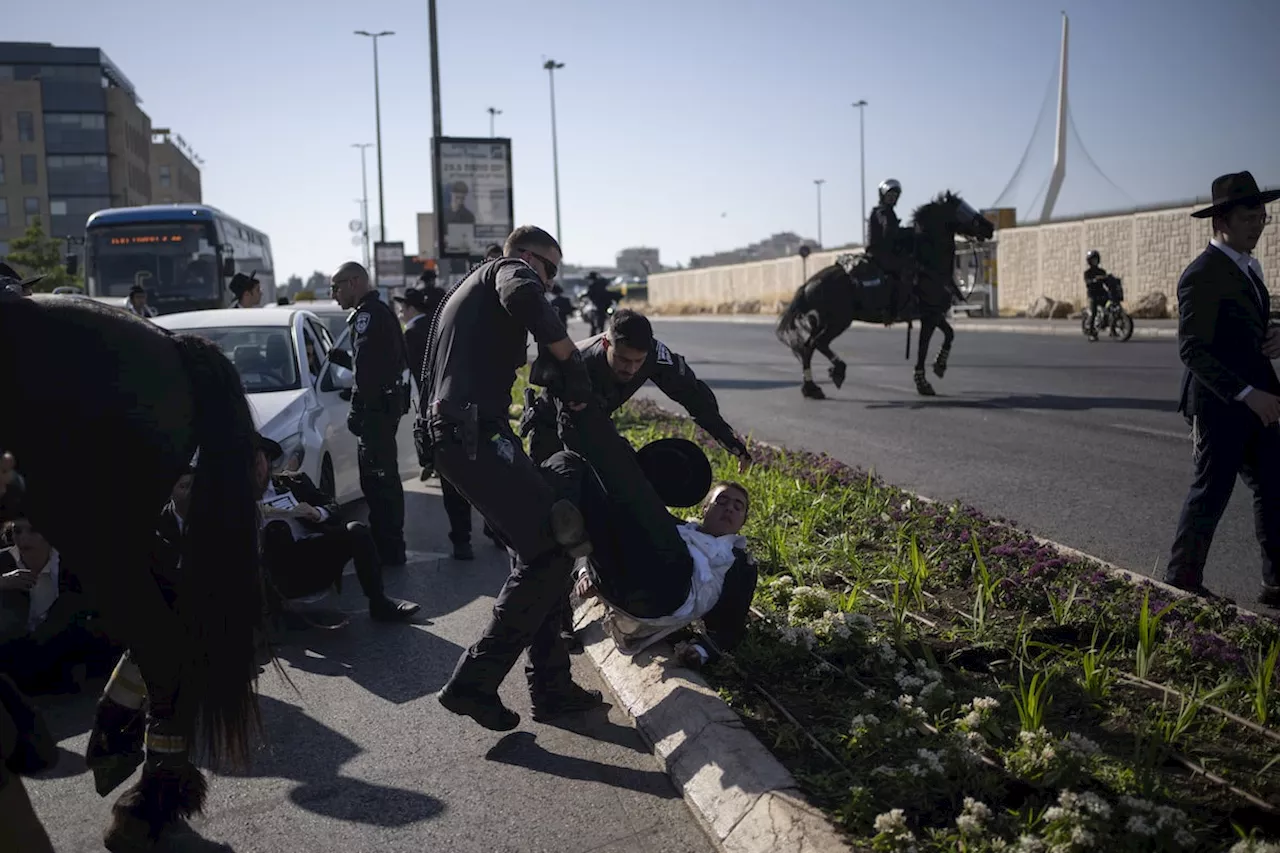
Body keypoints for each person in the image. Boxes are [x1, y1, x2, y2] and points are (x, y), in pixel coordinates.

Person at [421, 224, 602, 731]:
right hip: (473, 435)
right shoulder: (508, 271)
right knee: (550, 548)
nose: (549, 283)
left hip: (466, 435)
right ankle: (474, 682)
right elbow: (522, 292)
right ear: (526, 256)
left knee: (539, 550)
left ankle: (550, 686)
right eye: (550, 270)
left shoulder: (464, 290)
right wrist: (568, 357)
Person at [1164, 170, 1280, 606]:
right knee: (1211, 491)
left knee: (1275, 485)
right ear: (1223, 221)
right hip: (1220, 403)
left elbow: (1241, 329)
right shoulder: (1202, 274)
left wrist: (1274, 334)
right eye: (1250, 217)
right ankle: (1180, 583)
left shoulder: (1248, 267)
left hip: (1261, 402)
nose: (1259, 225)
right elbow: (1193, 349)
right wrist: (1248, 393)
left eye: (1263, 217)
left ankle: (1275, 582)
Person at [522, 309, 751, 471]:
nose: (630, 368)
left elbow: (694, 397)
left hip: (597, 418)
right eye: (622, 359)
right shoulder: (579, 364)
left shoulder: (656, 357)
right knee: (549, 486)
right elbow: (572, 432)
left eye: (637, 361)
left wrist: (728, 439)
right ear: (606, 344)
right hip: (552, 423)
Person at [573, 475, 757, 668]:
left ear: (742, 521)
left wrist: (703, 651)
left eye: (738, 507)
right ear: (705, 508)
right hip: (624, 578)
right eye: (722, 501)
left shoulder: (740, 563)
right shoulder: (675, 528)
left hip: (666, 598)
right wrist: (586, 572)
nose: (729, 508)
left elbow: (732, 622)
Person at [254, 433, 419, 623]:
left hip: (311, 559)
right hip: (271, 572)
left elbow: (333, 507)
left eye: (256, 463)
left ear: (267, 460)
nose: (252, 471)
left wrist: (317, 513)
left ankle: (380, 603)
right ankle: (275, 615)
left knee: (356, 530)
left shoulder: (293, 482)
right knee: (276, 529)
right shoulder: (230, 503)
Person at [328, 262, 411, 567]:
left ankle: (389, 549)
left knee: (379, 483)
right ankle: (390, 545)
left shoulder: (366, 315)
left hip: (375, 414)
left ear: (354, 282)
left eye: (336, 287)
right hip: (383, 410)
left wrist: (356, 409)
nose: (334, 294)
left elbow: (366, 373)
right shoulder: (380, 312)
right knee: (382, 481)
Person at [398, 286, 477, 559]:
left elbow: (412, 372)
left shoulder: (415, 333)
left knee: (450, 477)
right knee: (482, 476)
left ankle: (462, 540)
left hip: (436, 413)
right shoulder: (459, 326)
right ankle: (493, 532)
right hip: (469, 408)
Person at [1083, 250, 1110, 340]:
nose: (1094, 261)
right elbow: (1087, 282)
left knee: (1110, 306)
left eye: (1096, 259)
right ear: (1089, 261)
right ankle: (1091, 332)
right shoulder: (1087, 273)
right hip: (1093, 294)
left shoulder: (1102, 271)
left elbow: (1107, 282)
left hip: (1102, 293)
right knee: (1094, 312)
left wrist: (1112, 280)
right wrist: (1094, 280)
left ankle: (1112, 329)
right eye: (1092, 260)